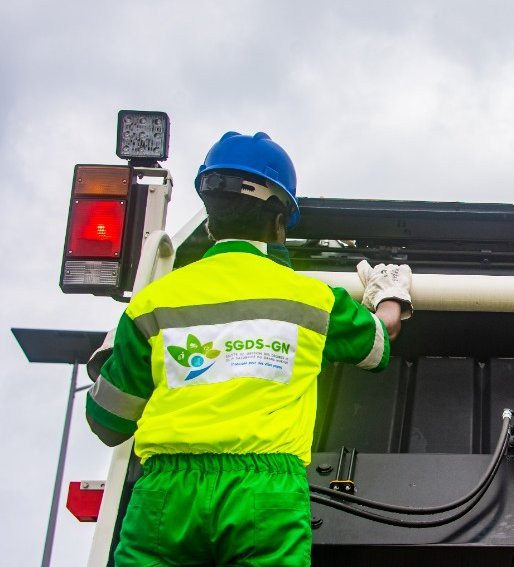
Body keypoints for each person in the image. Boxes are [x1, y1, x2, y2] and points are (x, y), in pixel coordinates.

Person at [85, 131, 413, 566]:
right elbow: (379, 340)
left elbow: (108, 423)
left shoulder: (153, 303)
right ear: (280, 220)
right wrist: (389, 295)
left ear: (209, 218)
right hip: (264, 495)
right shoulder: (312, 300)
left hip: (165, 497)